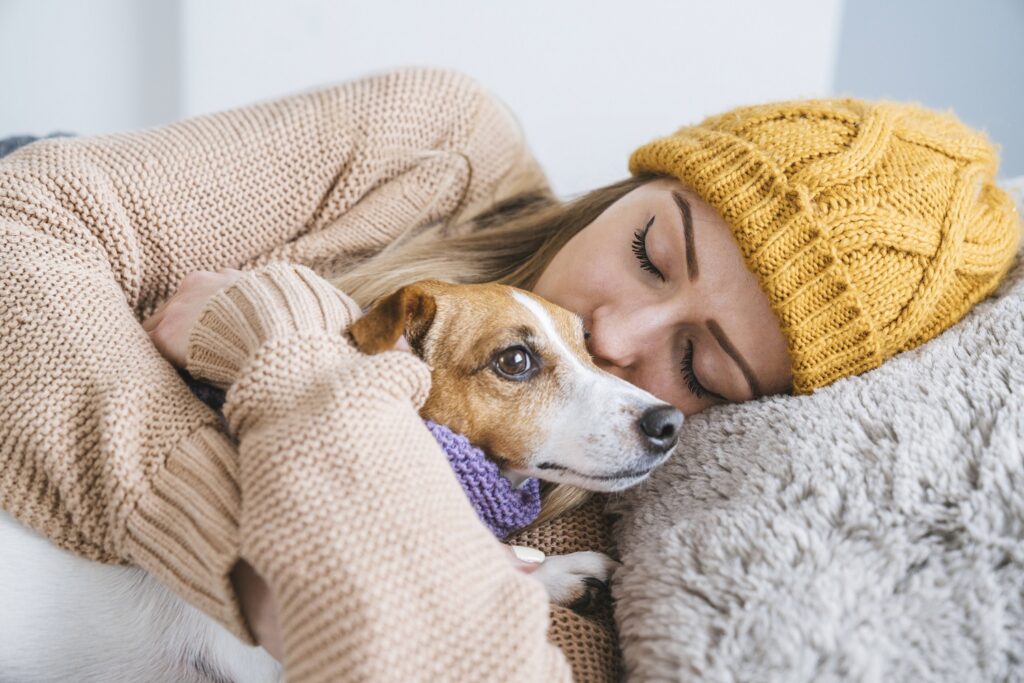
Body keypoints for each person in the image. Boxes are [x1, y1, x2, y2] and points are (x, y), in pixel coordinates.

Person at [0, 66, 1018, 682]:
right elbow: (25, 225)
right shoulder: (438, 143)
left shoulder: (591, 550)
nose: (619, 337)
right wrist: (290, 570)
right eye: (652, 250)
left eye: (699, 362)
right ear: (639, 180)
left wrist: (285, 347)